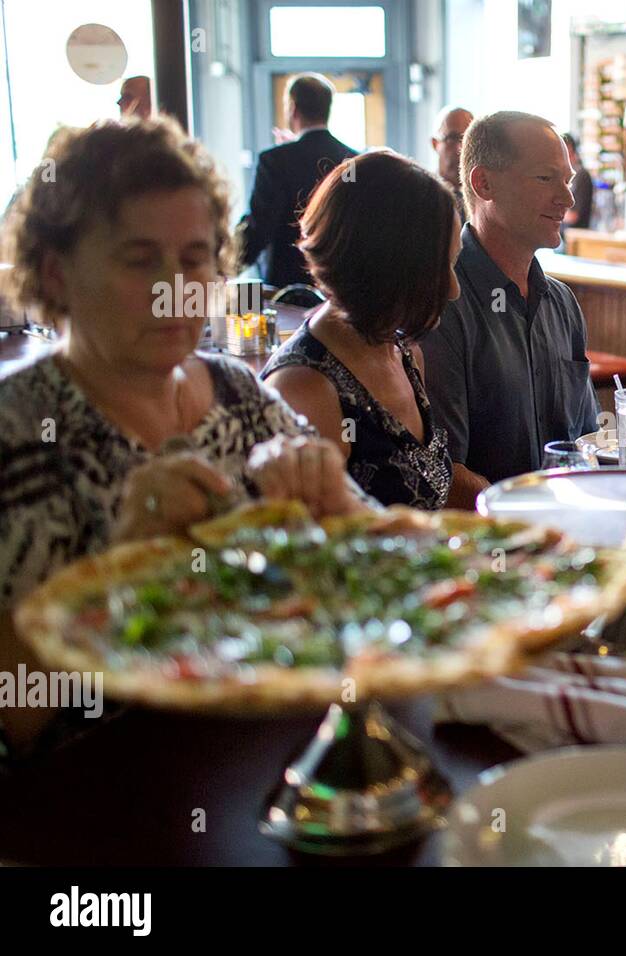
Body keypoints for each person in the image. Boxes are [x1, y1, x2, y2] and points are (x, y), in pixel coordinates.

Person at [0, 117, 370, 757]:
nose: (176, 291)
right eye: (140, 261)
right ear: (56, 275)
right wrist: (114, 578)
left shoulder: (239, 393)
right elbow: (13, 718)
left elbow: (375, 580)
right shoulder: (17, 431)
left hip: (260, 761)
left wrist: (338, 509)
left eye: (195, 258)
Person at [262, 150, 461, 510]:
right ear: (383, 268)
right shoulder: (304, 389)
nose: (453, 289)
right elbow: (312, 554)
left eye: (453, 263)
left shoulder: (404, 352)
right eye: (437, 268)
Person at [420, 110, 600, 489]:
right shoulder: (440, 304)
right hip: (487, 540)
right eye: (545, 178)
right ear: (484, 183)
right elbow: (444, 475)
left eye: (567, 180)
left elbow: (589, 443)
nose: (566, 198)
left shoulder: (562, 303)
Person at [235, 73, 356, 289]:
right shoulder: (351, 160)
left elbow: (260, 225)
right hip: (336, 284)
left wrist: (227, 263)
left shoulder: (274, 160)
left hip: (285, 284)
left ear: (292, 108)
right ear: (327, 109)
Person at [431, 105, 474, 221]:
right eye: (452, 138)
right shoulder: (423, 196)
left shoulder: (486, 201)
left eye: (468, 139)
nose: (461, 148)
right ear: (435, 144)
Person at [562, 132, 593, 230]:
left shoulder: (580, 175)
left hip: (574, 237)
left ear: (568, 148)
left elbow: (573, 216)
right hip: (565, 237)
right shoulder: (566, 173)